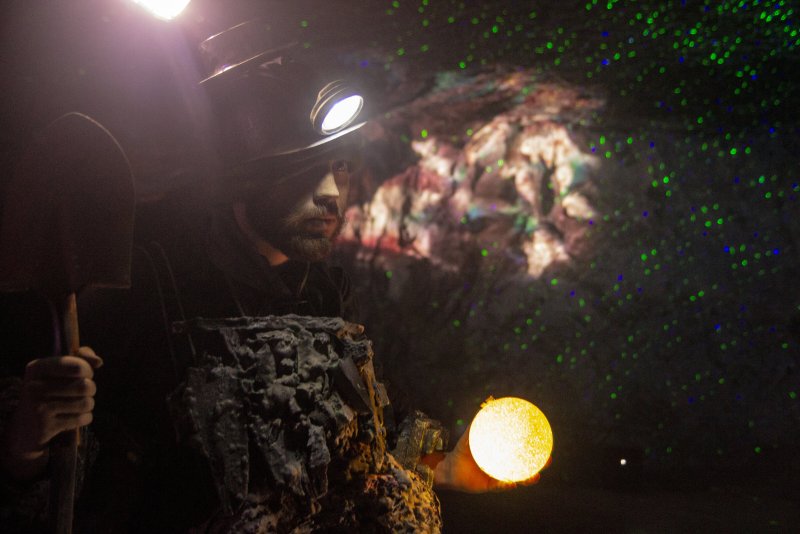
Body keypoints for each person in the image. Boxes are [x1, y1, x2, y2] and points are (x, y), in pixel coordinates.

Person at [1, 30, 542, 533]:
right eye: (307, 168)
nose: (332, 192)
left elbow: (366, 438)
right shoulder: (151, 288)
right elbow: (75, 474)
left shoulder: (327, 293)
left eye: (341, 165)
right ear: (245, 175)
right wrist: (27, 444)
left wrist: (448, 464)